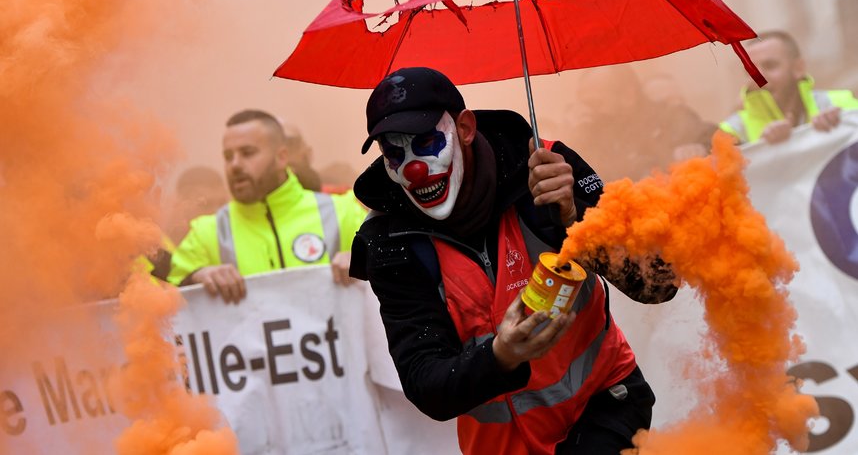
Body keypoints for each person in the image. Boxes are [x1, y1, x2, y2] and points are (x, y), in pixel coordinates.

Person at [349, 67, 677, 454]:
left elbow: (657, 283)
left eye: (426, 142)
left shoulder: (546, 166)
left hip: (604, 409)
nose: (414, 168)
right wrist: (500, 356)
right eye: (394, 152)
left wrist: (576, 219)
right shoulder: (391, 240)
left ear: (466, 129)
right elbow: (426, 384)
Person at [166, 109, 368, 302]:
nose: (235, 164)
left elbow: (396, 268)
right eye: (228, 156)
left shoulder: (343, 213)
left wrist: (369, 262)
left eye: (247, 152)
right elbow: (165, 301)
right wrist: (195, 278)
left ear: (281, 157)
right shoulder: (207, 233)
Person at [562, 65, 717, 181]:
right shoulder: (590, 134)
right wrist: (577, 137)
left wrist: (702, 147)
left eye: (595, 103)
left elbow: (724, 141)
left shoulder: (669, 118)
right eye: (584, 103)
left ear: (628, 96)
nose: (588, 111)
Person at [719, 30, 858, 144]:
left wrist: (841, 125)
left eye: (770, 66)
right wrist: (762, 149)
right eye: (751, 70)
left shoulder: (839, 103)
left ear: (799, 68)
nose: (758, 77)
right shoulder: (731, 131)